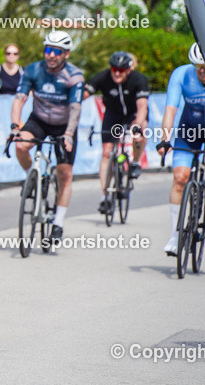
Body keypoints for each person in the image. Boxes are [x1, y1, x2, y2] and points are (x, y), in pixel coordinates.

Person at [10, 31, 84, 247]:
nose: (50, 55)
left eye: (56, 52)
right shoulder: (33, 69)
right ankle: (31, 177)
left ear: (66, 54)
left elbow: (76, 109)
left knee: (64, 173)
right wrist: (15, 126)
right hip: (39, 120)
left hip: (64, 125)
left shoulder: (74, 76)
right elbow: (19, 100)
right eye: (48, 50)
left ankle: (58, 222)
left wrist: (69, 134)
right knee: (21, 144)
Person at [83, 51, 149, 213]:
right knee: (107, 153)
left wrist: (137, 126)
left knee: (139, 133)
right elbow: (82, 94)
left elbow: (142, 108)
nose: (117, 73)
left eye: (121, 70)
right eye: (114, 69)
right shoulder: (103, 77)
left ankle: (135, 162)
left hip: (134, 113)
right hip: (113, 114)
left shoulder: (138, 79)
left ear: (128, 70)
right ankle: (106, 197)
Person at [156, 43, 205, 256]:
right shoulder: (182, 75)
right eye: (198, 66)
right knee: (179, 178)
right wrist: (164, 139)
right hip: (189, 131)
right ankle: (175, 236)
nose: (202, 71)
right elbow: (170, 110)